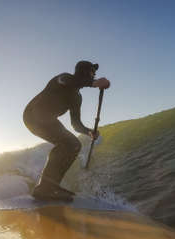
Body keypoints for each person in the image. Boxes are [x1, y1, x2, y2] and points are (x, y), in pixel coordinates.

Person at [23, 60, 111, 201]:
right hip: (33, 115)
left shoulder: (76, 97)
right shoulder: (63, 79)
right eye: (92, 72)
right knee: (69, 143)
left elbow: (75, 124)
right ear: (84, 72)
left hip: (48, 121)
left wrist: (89, 132)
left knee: (74, 145)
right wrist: (94, 84)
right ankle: (46, 187)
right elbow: (69, 81)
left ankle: (49, 186)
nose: (94, 76)